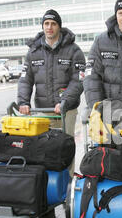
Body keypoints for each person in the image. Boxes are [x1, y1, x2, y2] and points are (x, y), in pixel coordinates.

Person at [17, 9, 85, 176]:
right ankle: (47, 183)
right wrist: (23, 102)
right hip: (42, 111)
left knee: (65, 147)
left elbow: (78, 80)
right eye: (46, 24)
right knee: (44, 149)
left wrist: (64, 101)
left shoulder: (73, 50)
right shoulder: (33, 52)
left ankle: (68, 182)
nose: (49, 27)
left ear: (59, 27)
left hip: (66, 110)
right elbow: (25, 79)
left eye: (53, 24)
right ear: (43, 26)